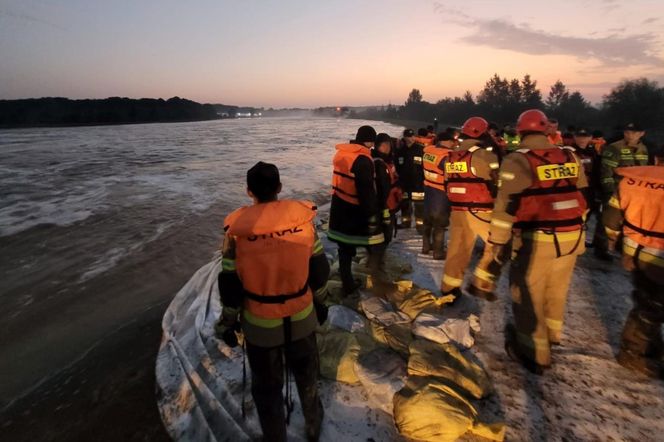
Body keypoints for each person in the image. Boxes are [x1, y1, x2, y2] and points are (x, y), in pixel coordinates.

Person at [217, 162, 330, 442]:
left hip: (260, 326)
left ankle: (275, 436)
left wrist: (227, 323)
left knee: (267, 388)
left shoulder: (236, 233)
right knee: (307, 376)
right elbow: (319, 272)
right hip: (302, 317)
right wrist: (320, 303)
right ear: (279, 188)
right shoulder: (304, 223)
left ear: (248, 191)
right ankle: (313, 424)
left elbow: (230, 286)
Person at [470, 109, 588, 374]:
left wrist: (498, 241)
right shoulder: (570, 155)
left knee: (527, 293)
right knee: (557, 288)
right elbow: (581, 192)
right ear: (547, 130)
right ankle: (552, 335)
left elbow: (505, 204)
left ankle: (534, 353)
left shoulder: (518, 160)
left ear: (520, 131)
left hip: (538, 238)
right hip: (573, 235)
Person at [603, 165, 664, 379]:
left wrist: (613, 240)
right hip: (658, 254)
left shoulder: (629, 181)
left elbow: (611, 219)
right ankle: (633, 353)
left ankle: (651, 346)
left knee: (649, 302)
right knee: (651, 306)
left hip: (635, 251)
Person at [440, 116, 500, 301]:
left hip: (458, 211)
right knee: (498, 245)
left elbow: (446, 182)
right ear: (482, 133)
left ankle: (448, 290)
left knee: (457, 250)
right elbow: (497, 181)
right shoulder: (485, 155)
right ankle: (480, 284)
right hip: (481, 210)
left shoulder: (451, 156)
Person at [328, 125, 385, 296]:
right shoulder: (363, 160)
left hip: (338, 205)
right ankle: (376, 279)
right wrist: (373, 214)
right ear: (369, 141)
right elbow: (366, 191)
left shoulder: (342, 153)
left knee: (344, 248)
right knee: (375, 243)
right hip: (354, 210)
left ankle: (347, 282)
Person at [596, 122, 649, 260]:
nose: (630, 135)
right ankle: (601, 248)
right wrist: (609, 192)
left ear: (642, 133)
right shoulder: (615, 148)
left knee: (628, 222)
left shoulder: (643, 149)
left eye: (634, 133)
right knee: (608, 220)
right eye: (627, 132)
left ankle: (619, 247)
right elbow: (606, 172)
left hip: (635, 193)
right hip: (616, 191)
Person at [422, 130, 455, 259]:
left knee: (428, 221)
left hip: (428, 188)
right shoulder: (446, 156)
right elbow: (450, 174)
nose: (454, 144)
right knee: (440, 224)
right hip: (441, 192)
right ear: (445, 141)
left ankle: (425, 247)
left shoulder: (428, 151)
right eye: (452, 141)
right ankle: (438, 252)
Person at [372, 133, 402, 265]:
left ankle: (378, 259)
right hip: (384, 206)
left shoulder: (389, 160)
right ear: (378, 146)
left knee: (387, 234)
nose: (387, 147)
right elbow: (381, 188)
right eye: (384, 145)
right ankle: (376, 262)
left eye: (388, 144)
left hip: (391, 203)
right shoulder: (378, 163)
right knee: (384, 235)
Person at [570, 128, 601, 246]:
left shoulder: (593, 153)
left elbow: (597, 171)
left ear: (590, 138)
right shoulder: (568, 151)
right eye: (579, 136)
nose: (582, 139)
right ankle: (572, 238)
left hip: (589, 188)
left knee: (587, 213)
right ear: (574, 137)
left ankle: (580, 238)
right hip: (574, 188)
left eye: (585, 137)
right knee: (574, 214)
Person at [395, 128, 426, 233]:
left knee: (420, 206)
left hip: (418, 183)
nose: (411, 138)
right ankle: (405, 222)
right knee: (405, 205)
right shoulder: (400, 151)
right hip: (404, 184)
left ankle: (420, 226)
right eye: (408, 136)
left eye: (412, 136)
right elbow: (397, 167)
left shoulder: (421, 150)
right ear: (404, 137)